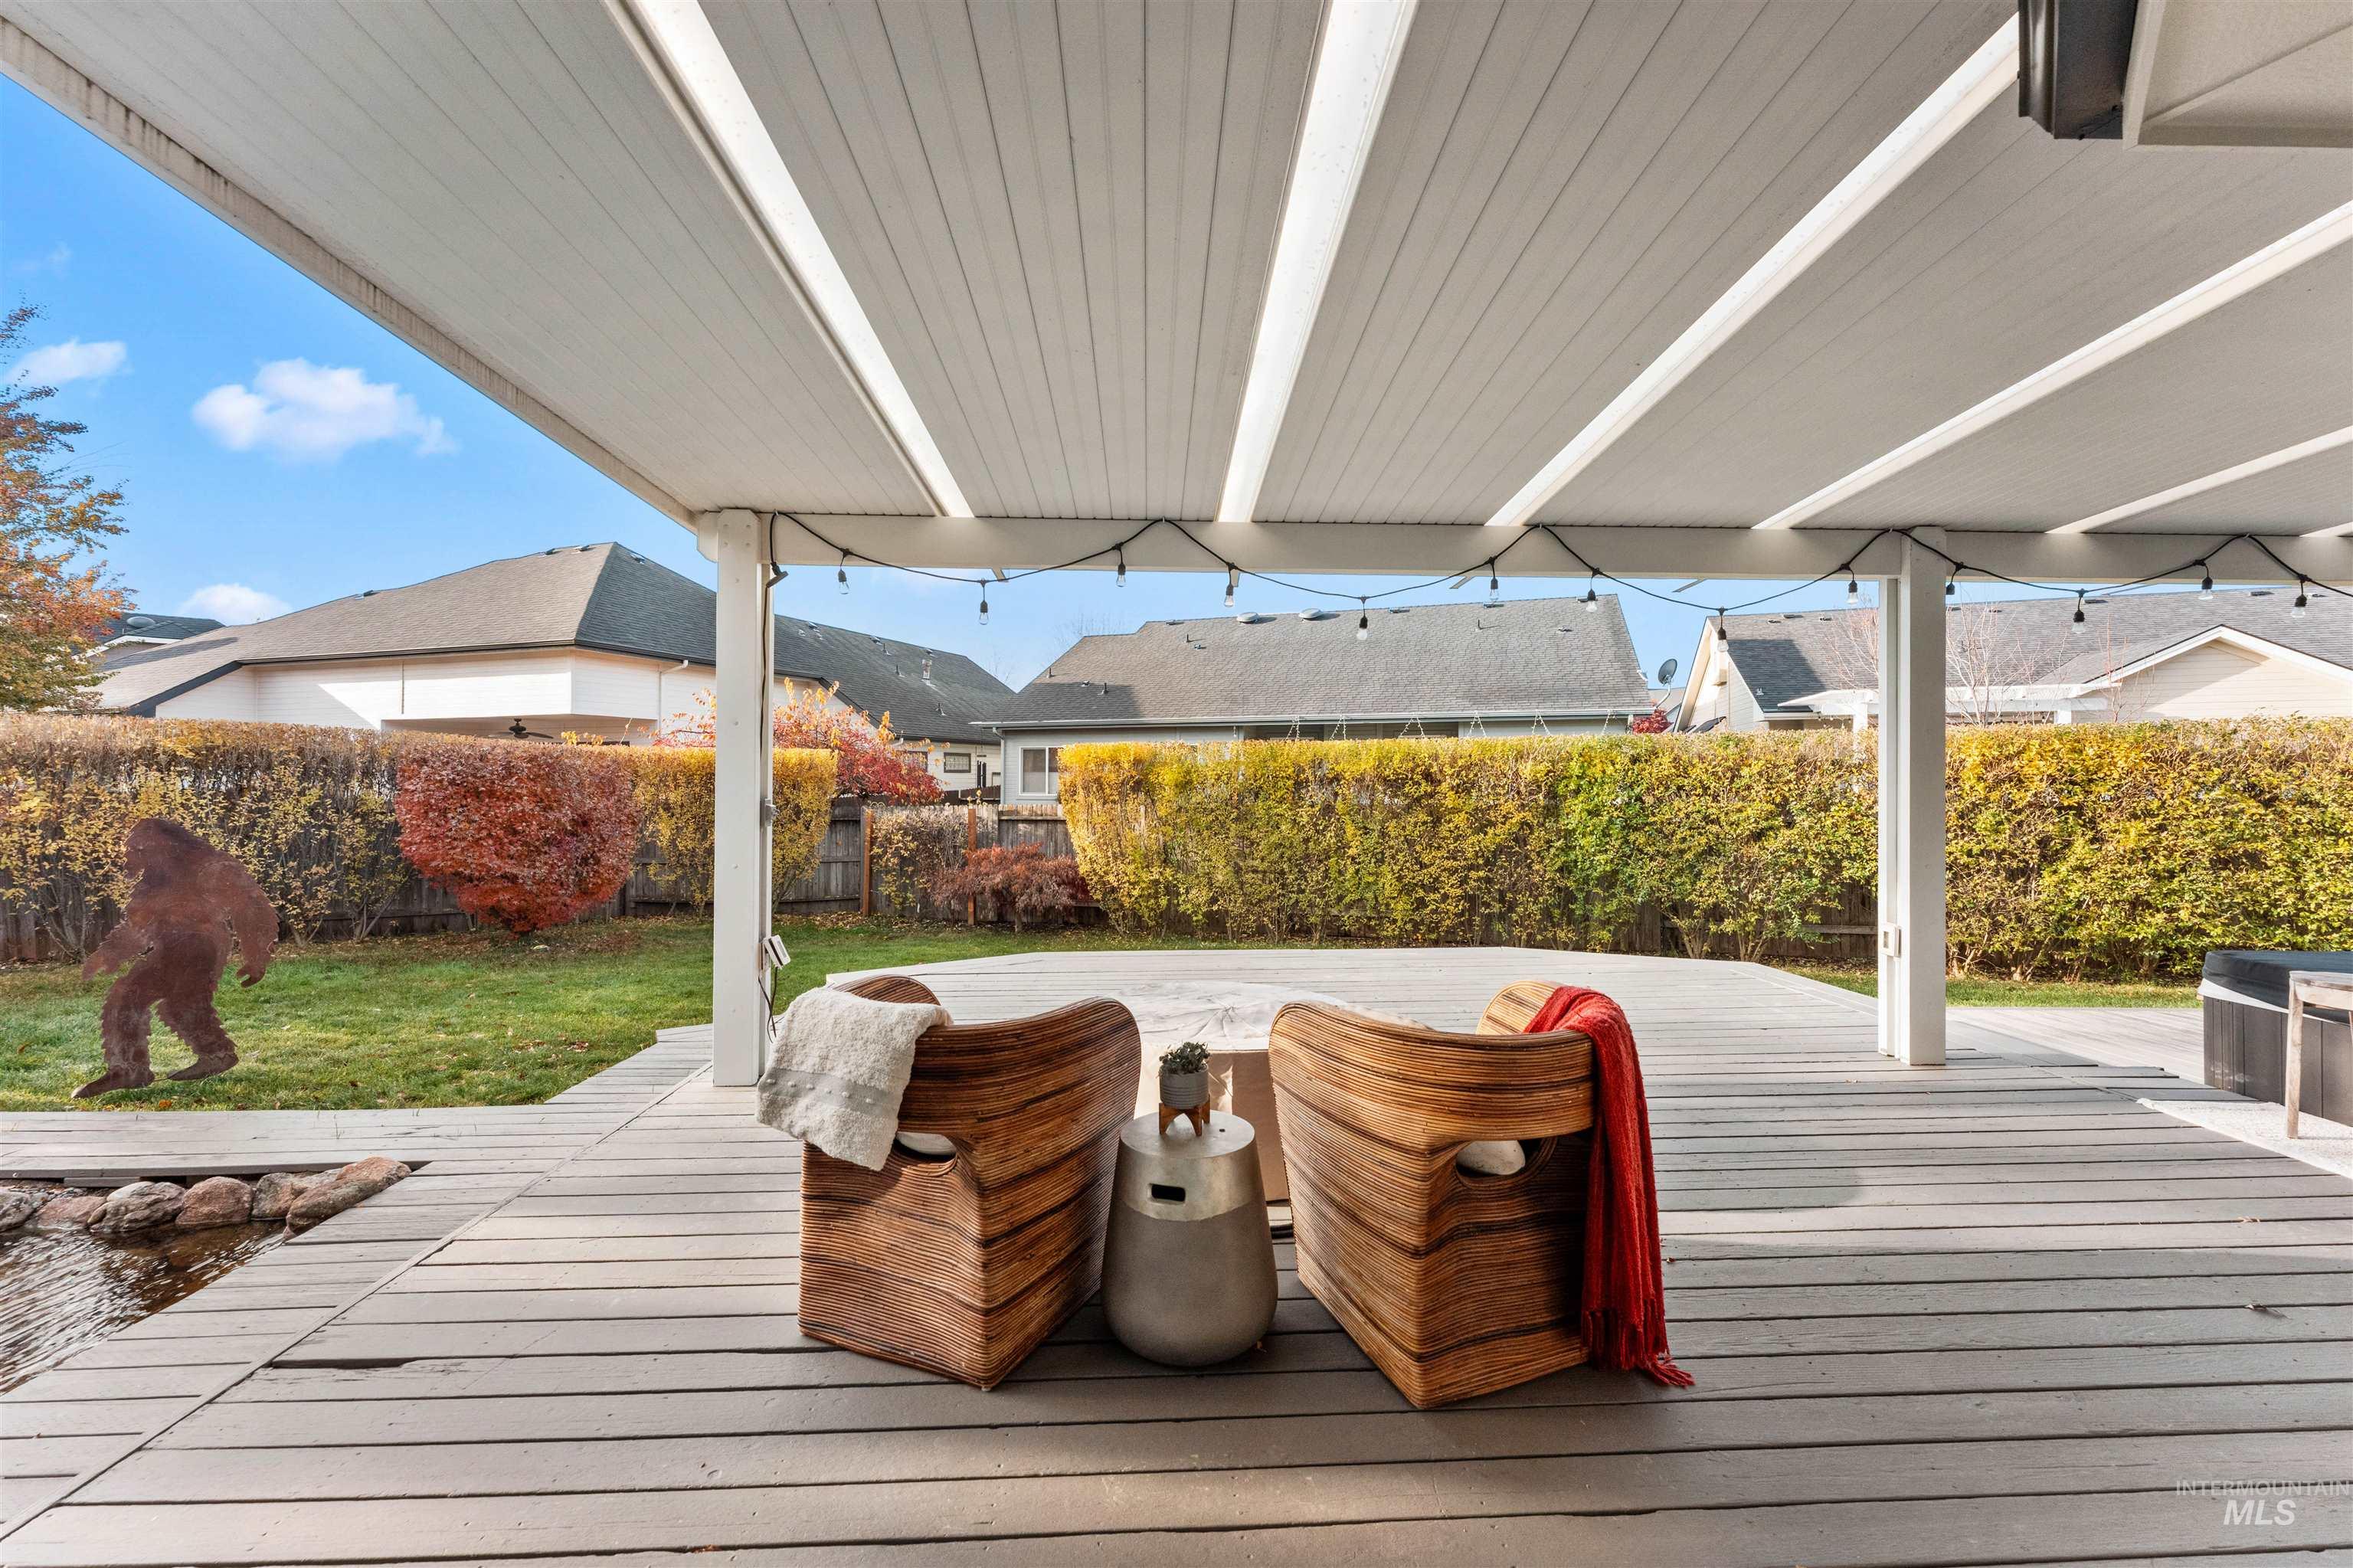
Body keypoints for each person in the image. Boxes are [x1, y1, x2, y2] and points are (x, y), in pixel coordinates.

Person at [76, 818, 277, 1098]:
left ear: (164, 846)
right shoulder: (154, 880)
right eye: (132, 850)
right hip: (168, 948)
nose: (130, 856)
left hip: (202, 947)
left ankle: (216, 1054)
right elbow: (138, 924)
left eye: (139, 850)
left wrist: (257, 956)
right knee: (126, 996)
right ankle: (129, 1069)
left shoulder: (209, 866)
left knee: (182, 1002)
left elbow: (252, 907)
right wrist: (109, 954)